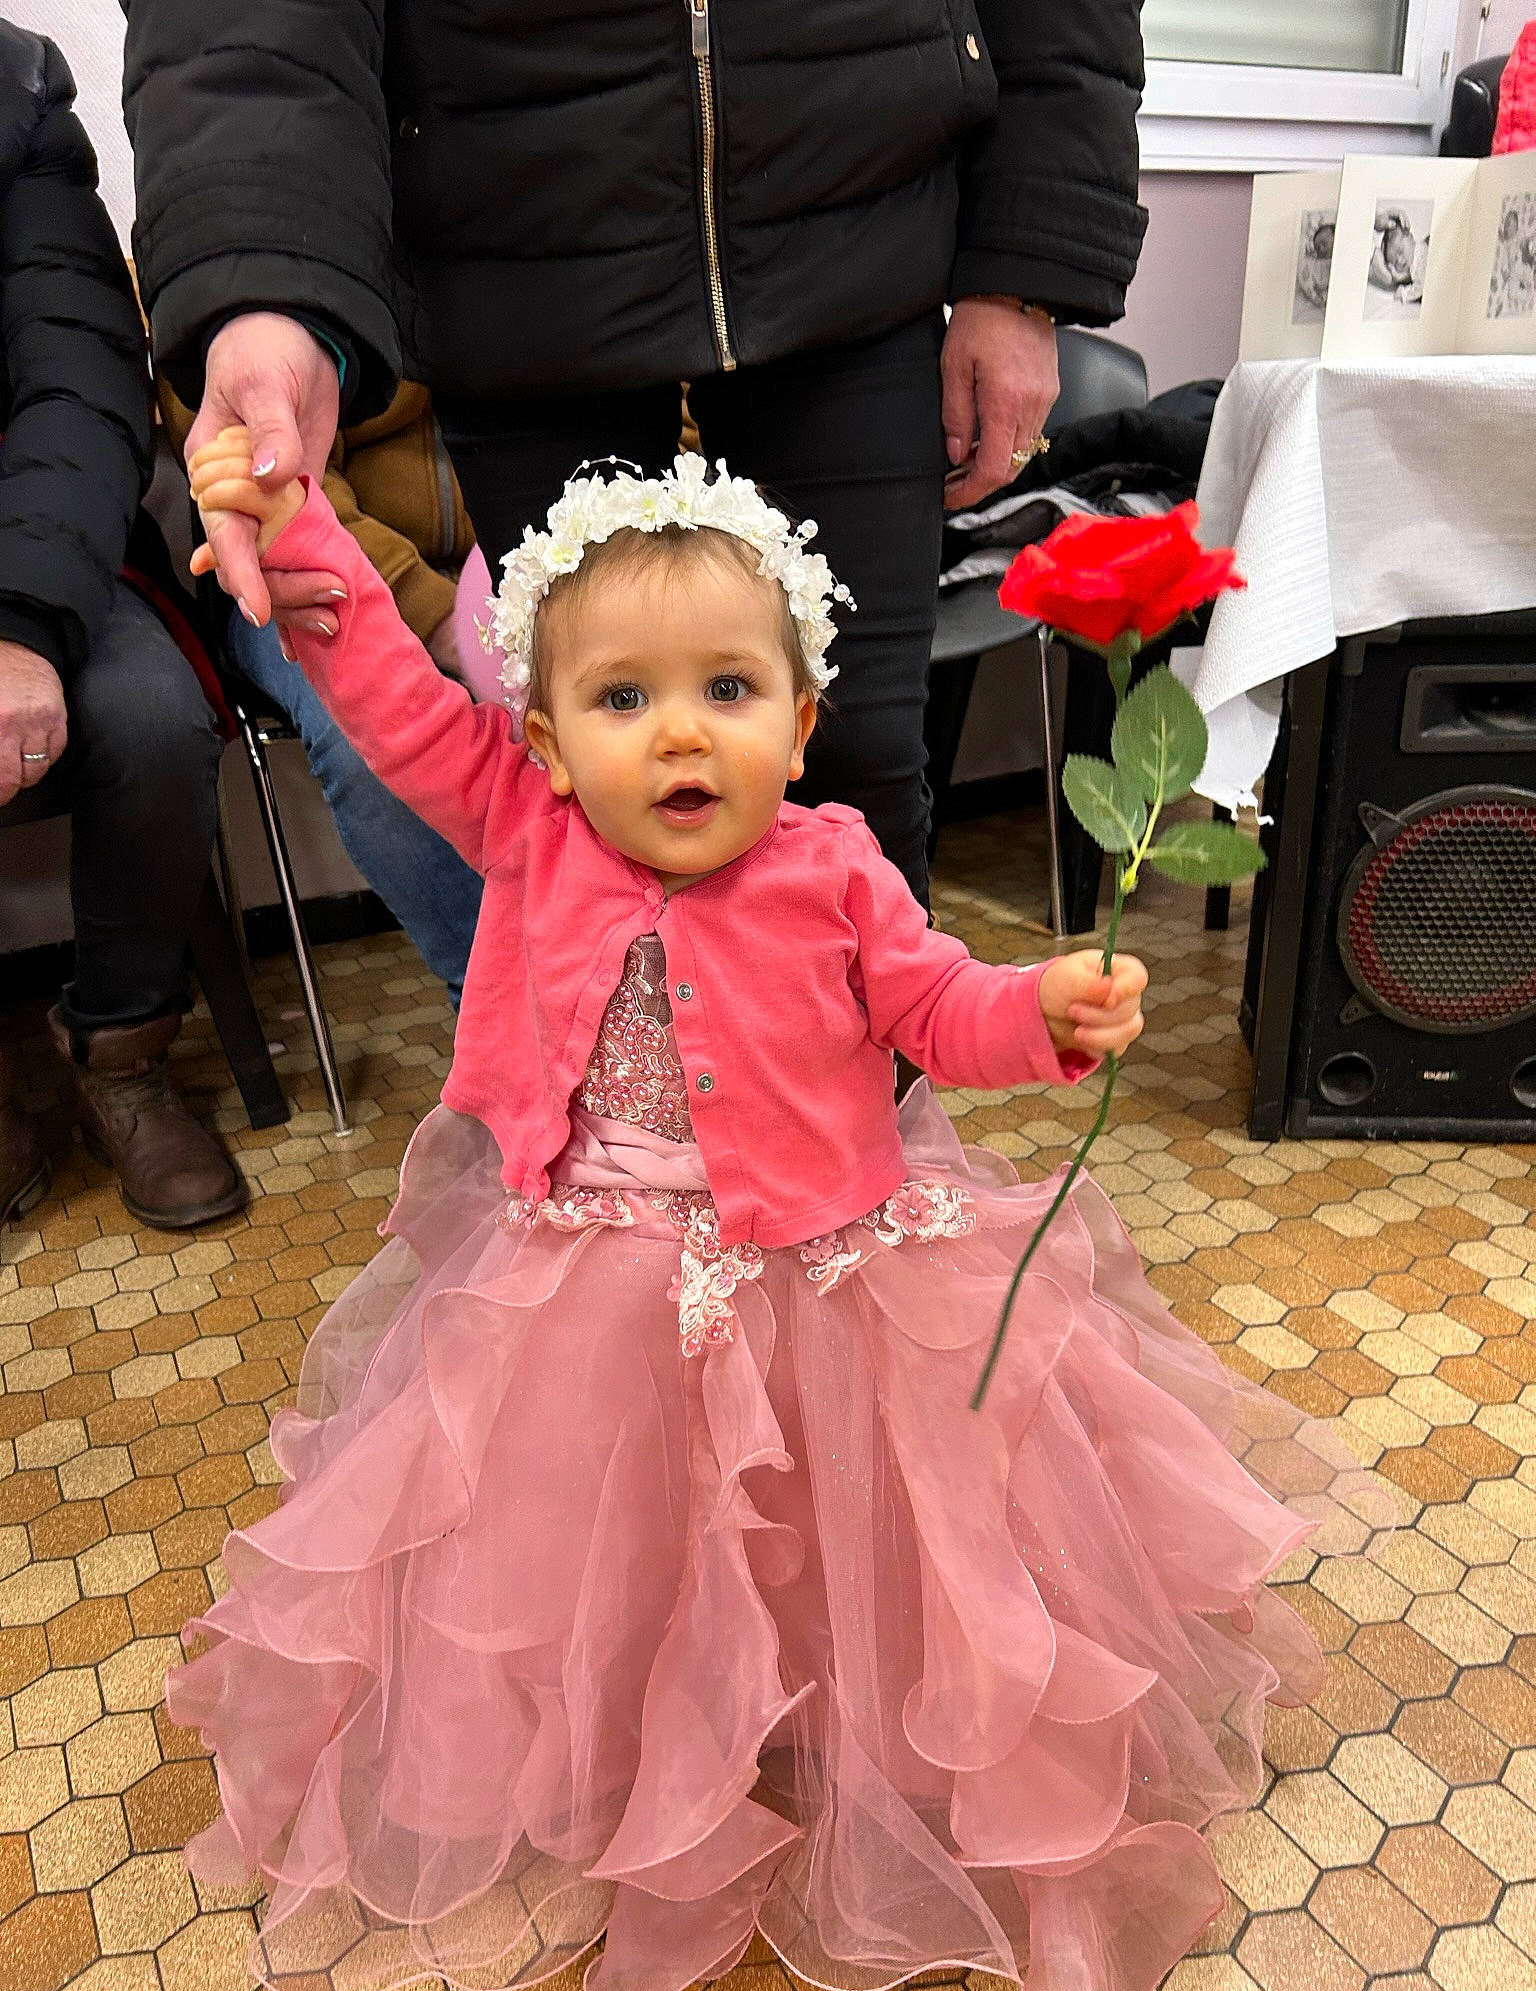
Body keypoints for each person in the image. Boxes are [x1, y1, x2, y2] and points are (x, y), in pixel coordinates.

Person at [165, 429, 1375, 1991]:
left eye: (729, 690)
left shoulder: (837, 867)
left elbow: (940, 1003)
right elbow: (387, 695)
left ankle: (838, 1713)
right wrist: (295, 526)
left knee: (850, 1514)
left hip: (832, 1262)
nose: (680, 731)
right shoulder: (526, 825)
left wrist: (1046, 1013)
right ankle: (631, 1731)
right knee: (602, 1529)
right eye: (622, 700)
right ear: (541, 734)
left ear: (801, 721)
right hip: (588, 1265)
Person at [122, 0, 1149, 905]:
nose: (686, 743)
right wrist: (263, 281)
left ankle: (863, 1121)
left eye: (736, 701)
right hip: (515, 251)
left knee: (859, 777)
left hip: (859, 240)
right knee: (591, 818)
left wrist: (1026, 268)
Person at [0, 22, 241, 1230]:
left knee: (150, 716)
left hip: (39, 538)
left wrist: (20, 621)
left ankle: (124, 1054)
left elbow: (81, 374)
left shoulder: (15, 87)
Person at [163, 379, 485, 1002]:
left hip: (525, 555)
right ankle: (491, 1003)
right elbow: (275, 474)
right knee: (362, 731)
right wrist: (443, 618)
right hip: (304, 563)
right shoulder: (266, 302)